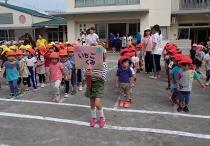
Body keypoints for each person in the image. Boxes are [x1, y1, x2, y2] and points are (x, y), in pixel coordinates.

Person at [85, 53, 108, 128]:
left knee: (97, 104)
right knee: (92, 104)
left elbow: (103, 77)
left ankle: (102, 117)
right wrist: (86, 74)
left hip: (99, 84)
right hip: (90, 84)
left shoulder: (104, 64)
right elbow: (86, 74)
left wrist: (92, 74)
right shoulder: (89, 63)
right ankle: (93, 118)